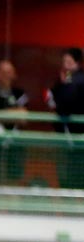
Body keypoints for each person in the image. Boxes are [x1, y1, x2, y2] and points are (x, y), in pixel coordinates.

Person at [0, 60, 30, 185]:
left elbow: (23, 117)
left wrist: (1, 114)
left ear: (14, 74)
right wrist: (13, 113)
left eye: (9, 72)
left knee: (14, 177)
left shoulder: (20, 93)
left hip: (15, 140)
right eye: (3, 71)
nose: (6, 75)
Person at [47, 48, 84, 190]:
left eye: (69, 62)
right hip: (68, 133)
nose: (65, 65)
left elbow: (65, 103)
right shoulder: (67, 78)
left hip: (74, 131)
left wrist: (61, 89)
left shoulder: (74, 79)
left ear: (78, 63)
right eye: (64, 62)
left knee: (73, 167)